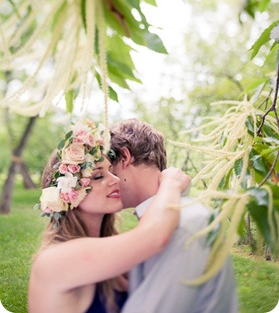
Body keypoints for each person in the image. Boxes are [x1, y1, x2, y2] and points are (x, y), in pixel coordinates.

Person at [28, 118, 190, 313]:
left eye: (111, 171)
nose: (115, 180)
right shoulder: (56, 259)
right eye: (98, 176)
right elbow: (156, 236)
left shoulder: (113, 247)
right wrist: (170, 183)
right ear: (68, 194)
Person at [110, 118, 239, 313]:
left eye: (107, 168)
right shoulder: (170, 217)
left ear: (124, 157)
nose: (107, 178)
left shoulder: (183, 225)